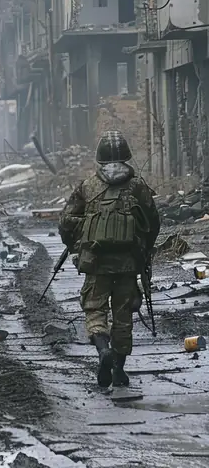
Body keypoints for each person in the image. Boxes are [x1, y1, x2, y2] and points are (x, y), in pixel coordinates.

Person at [58, 130, 160, 388]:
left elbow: (65, 222)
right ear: (126, 157)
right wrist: (145, 250)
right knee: (123, 314)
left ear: (99, 159)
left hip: (96, 261)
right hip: (127, 263)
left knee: (95, 309)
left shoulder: (88, 186)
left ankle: (103, 350)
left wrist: (76, 241)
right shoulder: (138, 186)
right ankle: (119, 369)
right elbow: (153, 223)